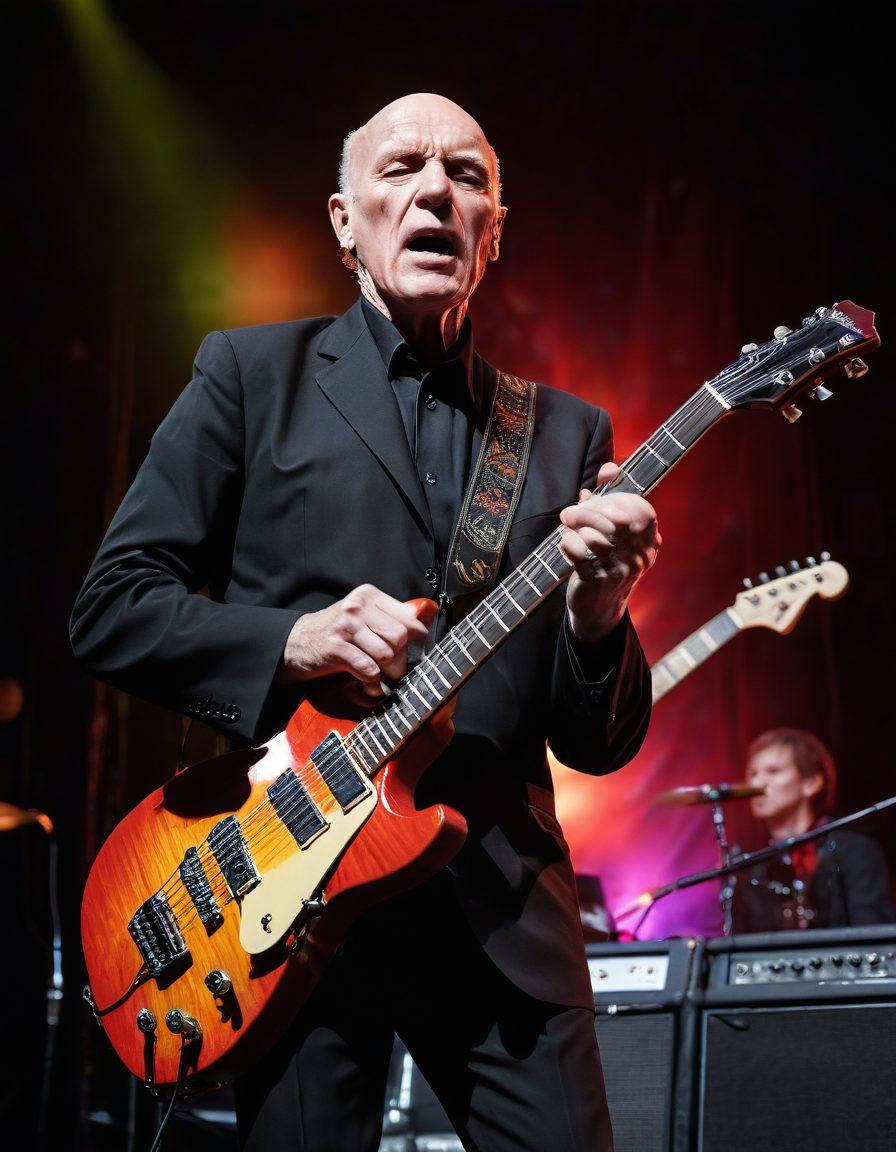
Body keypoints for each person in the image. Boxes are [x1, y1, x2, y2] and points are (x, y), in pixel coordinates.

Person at [70, 93, 660, 1152]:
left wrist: (598, 614)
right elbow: (112, 608)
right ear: (343, 221)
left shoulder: (564, 433)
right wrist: (290, 641)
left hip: (501, 916)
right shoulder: (251, 377)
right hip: (280, 903)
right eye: (401, 169)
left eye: (466, 176)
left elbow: (594, 740)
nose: (436, 189)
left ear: (494, 233)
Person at [732, 728, 893, 933]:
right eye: (752, 773)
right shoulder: (748, 866)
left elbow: (874, 939)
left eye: (773, 771)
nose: (757, 783)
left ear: (811, 783)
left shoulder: (854, 851)